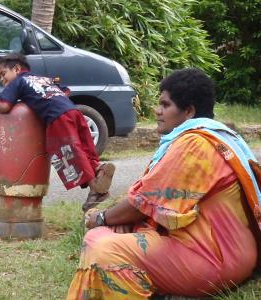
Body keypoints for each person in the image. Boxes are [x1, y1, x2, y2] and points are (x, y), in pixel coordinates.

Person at [67, 68, 261, 299]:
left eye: (165, 105)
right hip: (235, 254)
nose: (157, 111)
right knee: (117, 228)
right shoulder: (221, 135)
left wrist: (100, 218)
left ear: (188, 111)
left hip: (216, 260)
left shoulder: (194, 144)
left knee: (101, 247)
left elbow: (142, 203)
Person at [0, 53, 115, 211]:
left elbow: (4, 106)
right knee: (84, 147)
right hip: (73, 111)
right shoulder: (42, 78)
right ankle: (98, 169)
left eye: (3, 74)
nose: (2, 80)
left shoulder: (18, 81)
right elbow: (66, 91)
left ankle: (95, 189)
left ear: (16, 69)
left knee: (69, 154)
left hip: (57, 117)